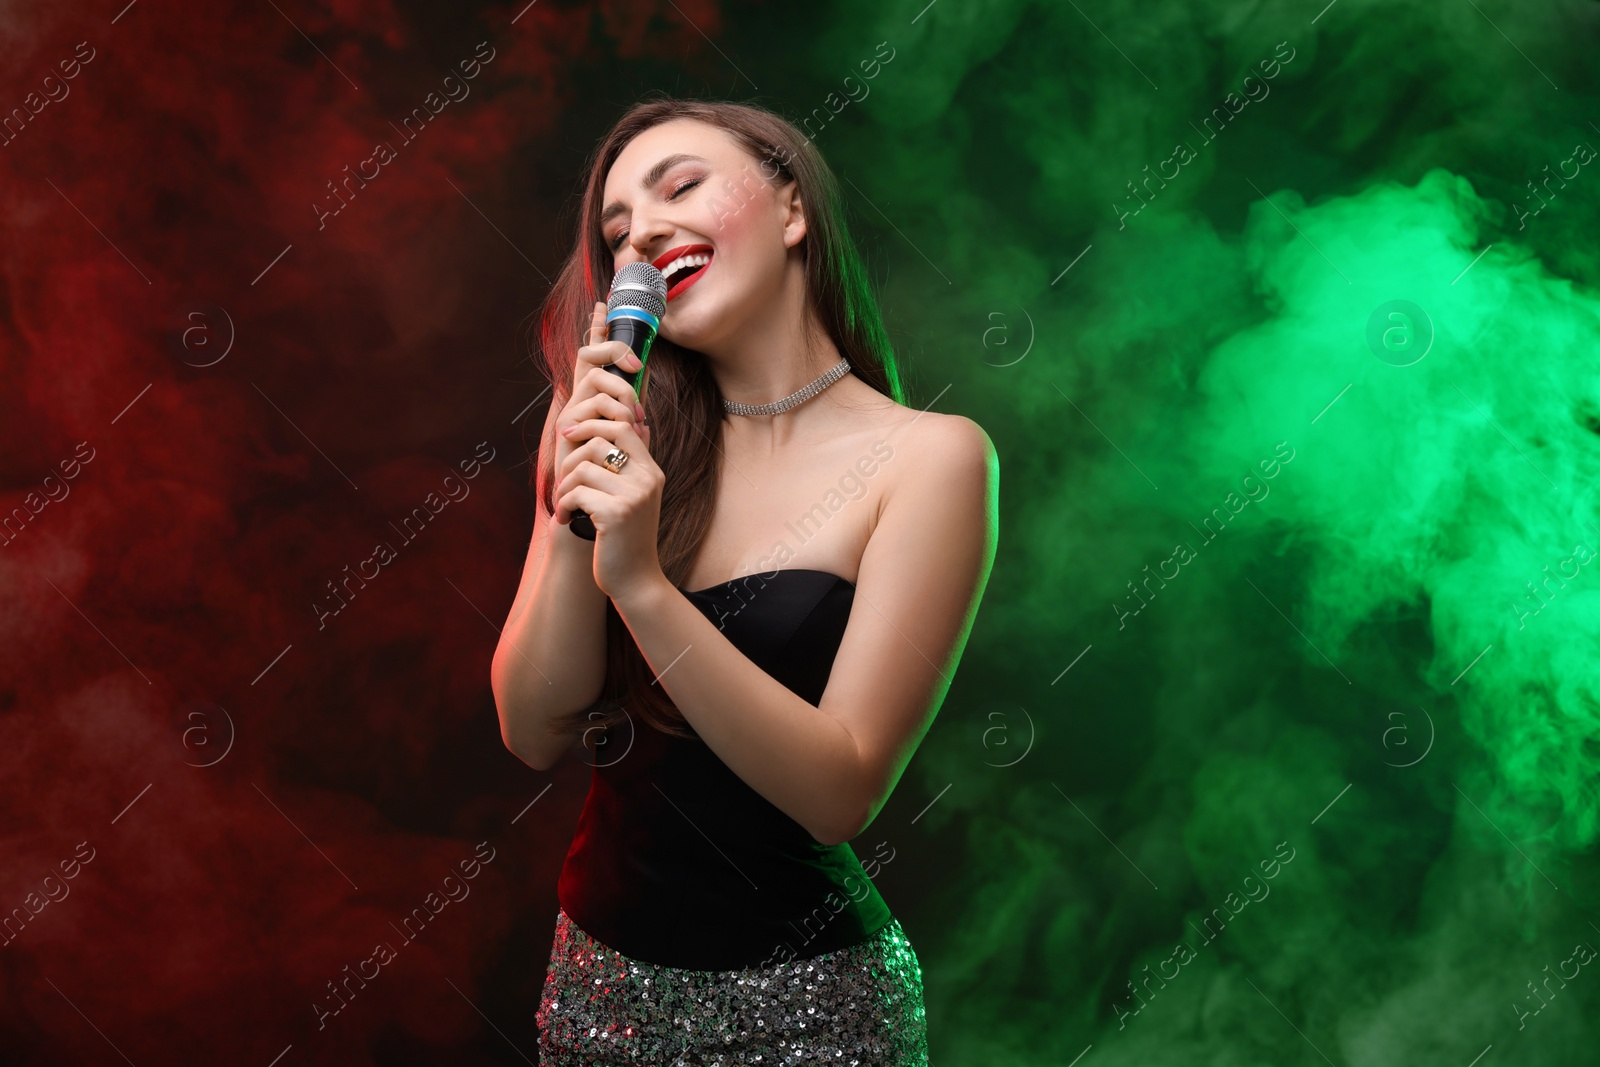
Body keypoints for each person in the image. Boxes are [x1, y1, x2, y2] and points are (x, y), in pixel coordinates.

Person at [491, 95, 997, 1066]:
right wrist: (572, 497)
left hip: (810, 1017)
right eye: (618, 229)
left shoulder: (928, 459)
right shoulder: (623, 438)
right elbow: (530, 726)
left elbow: (839, 789)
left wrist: (639, 580)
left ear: (793, 209)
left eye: (681, 185)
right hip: (600, 996)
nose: (642, 233)